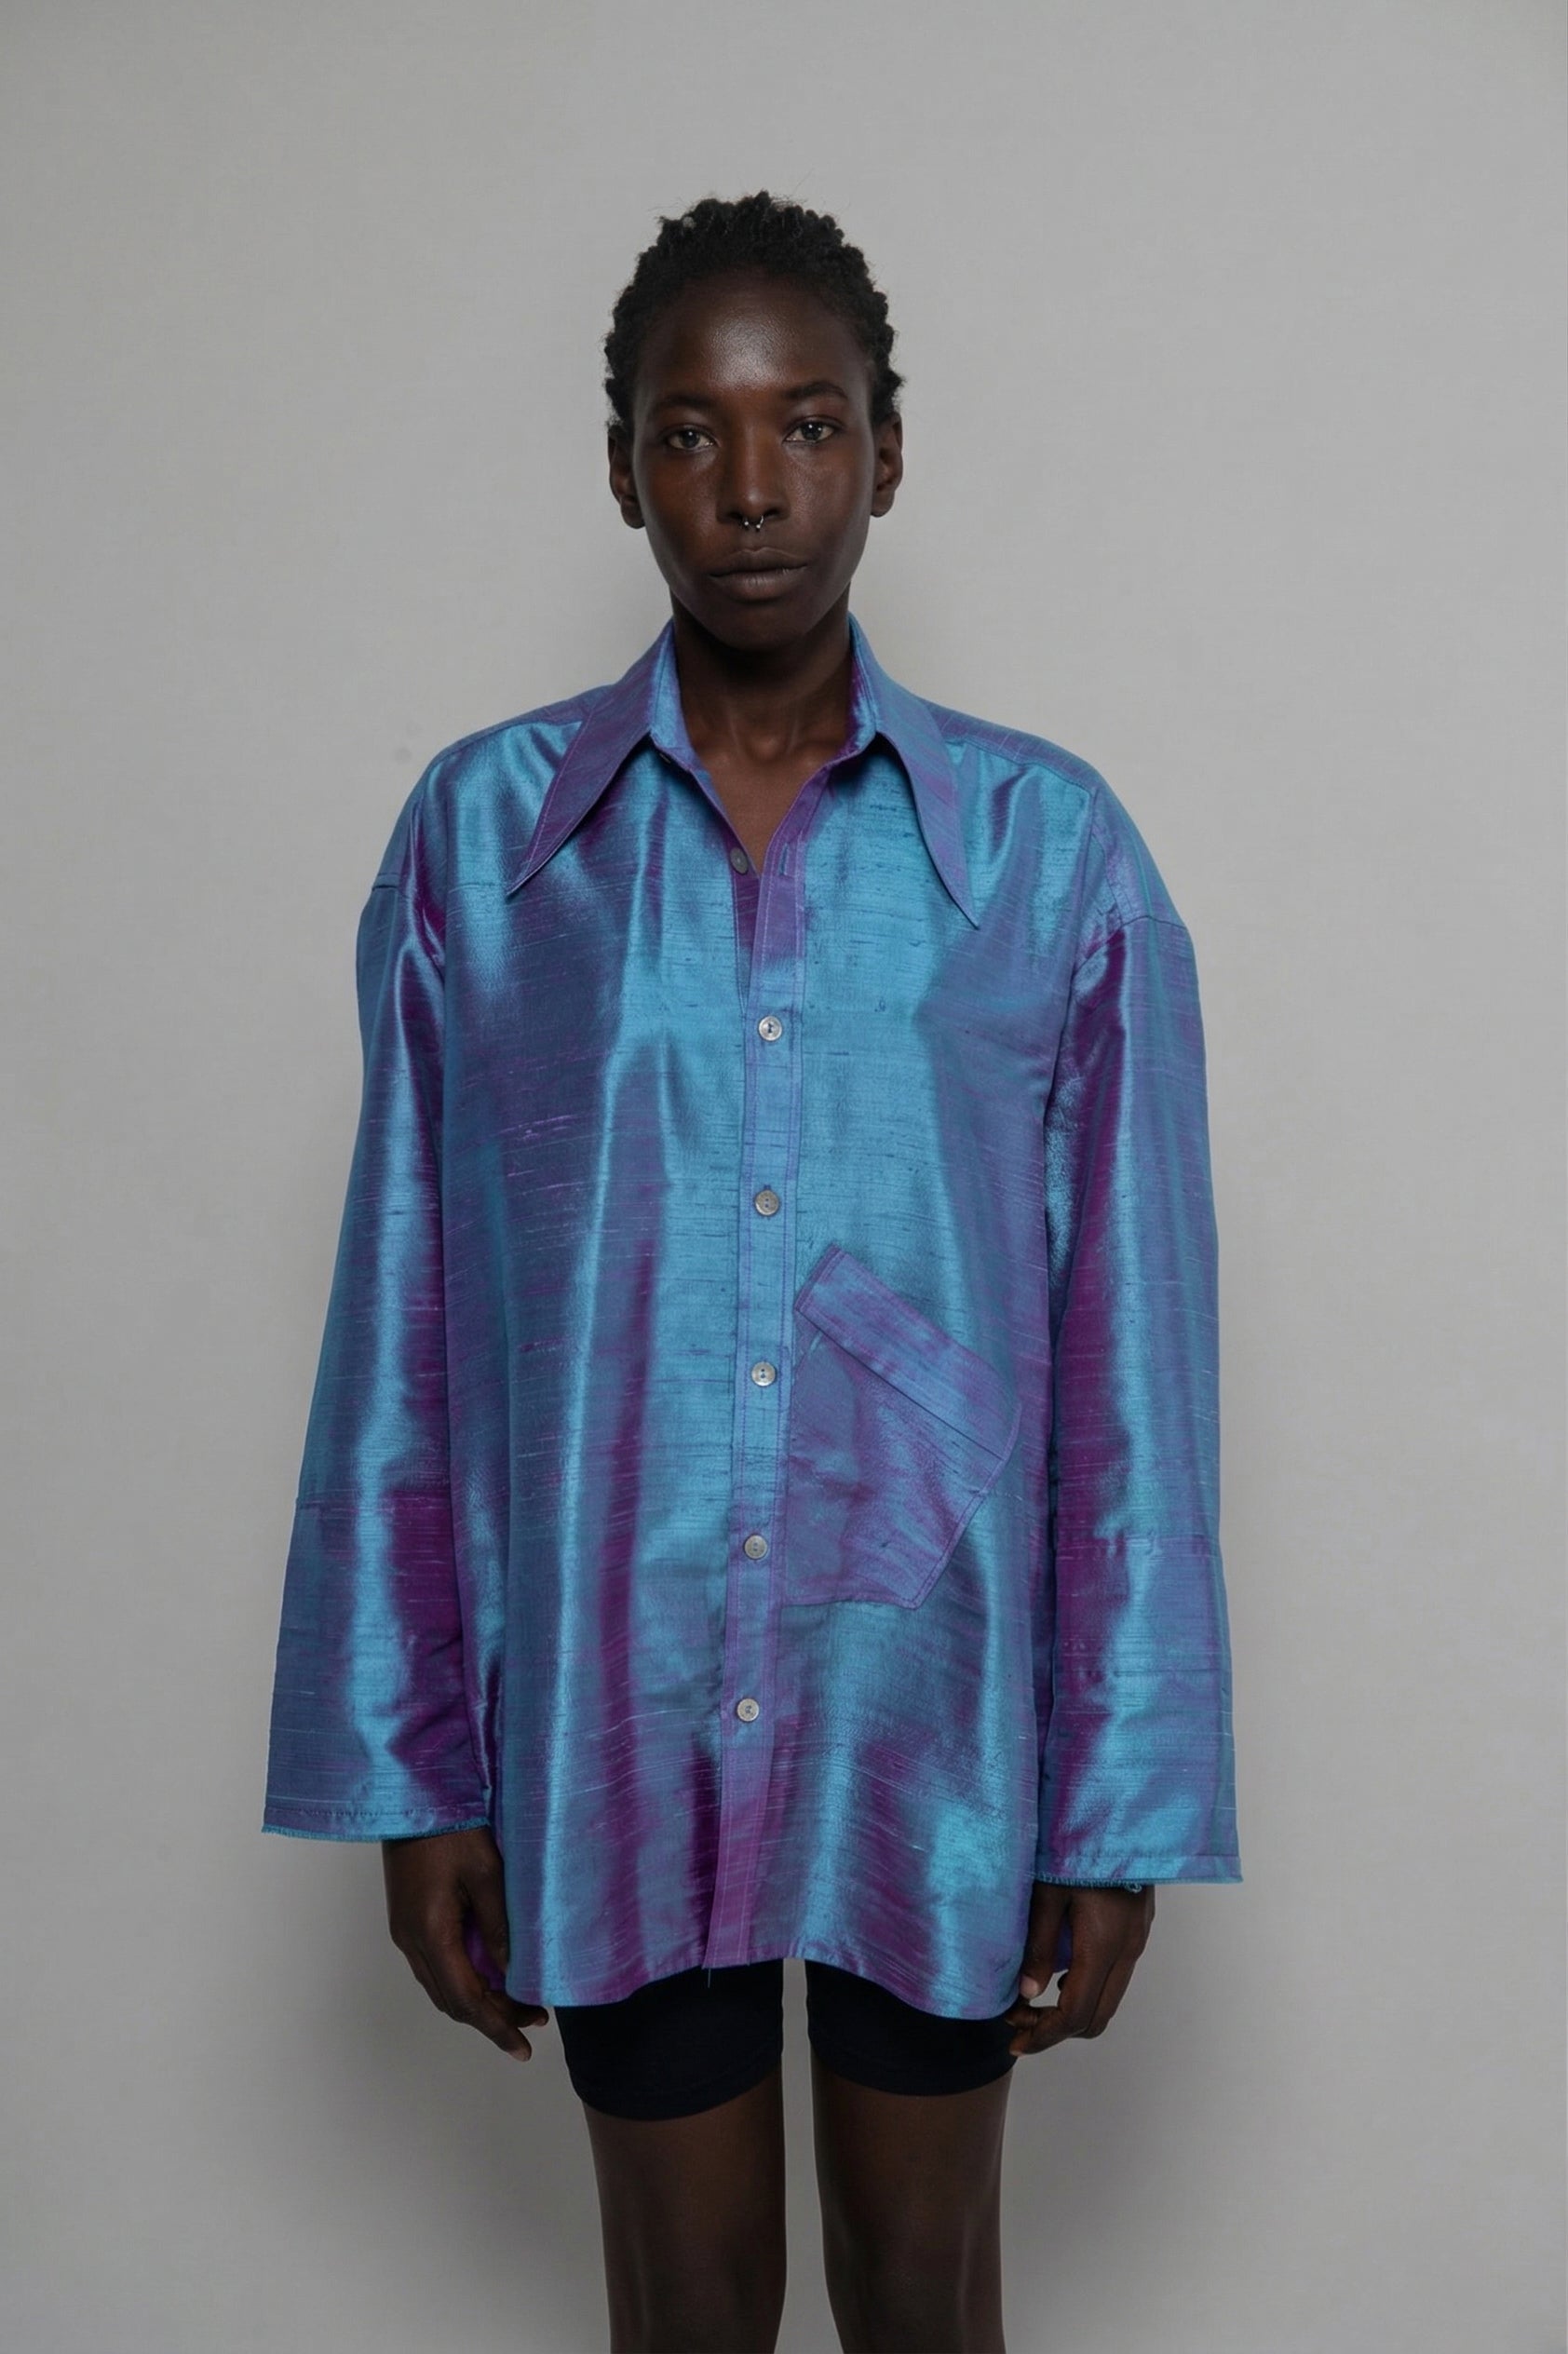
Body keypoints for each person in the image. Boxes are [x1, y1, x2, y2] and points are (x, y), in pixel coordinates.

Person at [264, 191, 1240, 2354]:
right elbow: (403, 1324)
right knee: (683, 2312)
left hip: (933, 1708)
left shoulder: (1051, 853)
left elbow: (1131, 1358)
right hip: (609, 1697)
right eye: (687, 433)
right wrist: (415, 1771)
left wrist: (1120, 1797)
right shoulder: (480, 844)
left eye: (806, 423)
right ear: (620, 471)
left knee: (921, 2303)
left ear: (887, 450)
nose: (751, 486)